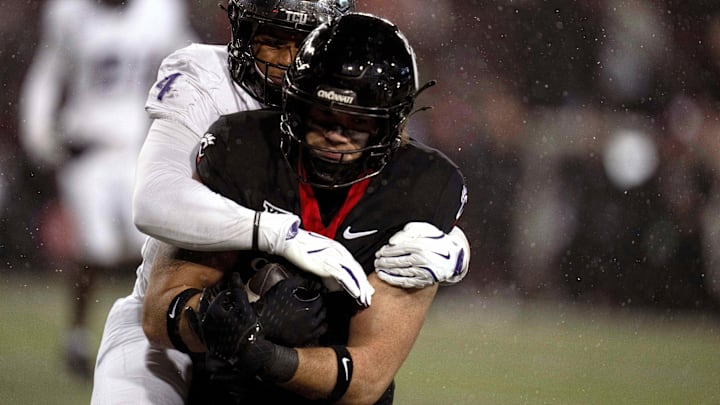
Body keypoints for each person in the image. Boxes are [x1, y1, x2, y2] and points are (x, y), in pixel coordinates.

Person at [92, 1, 469, 403]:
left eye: (303, 41)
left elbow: (368, 371)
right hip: (187, 311)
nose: (288, 60)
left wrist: (452, 243)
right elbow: (154, 199)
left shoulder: (405, 167)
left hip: (307, 347)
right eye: (272, 40)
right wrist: (278, 235)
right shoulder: (211, 88)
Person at [18, 0, 195, 378]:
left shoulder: (160, 11)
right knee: (93, 249)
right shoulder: (68, 14)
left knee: (148, 247)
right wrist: (39, 133)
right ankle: (79, 339)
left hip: (137, 146)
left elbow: (186, 62)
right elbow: (48, 74)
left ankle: (150, 335)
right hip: (87, 146)